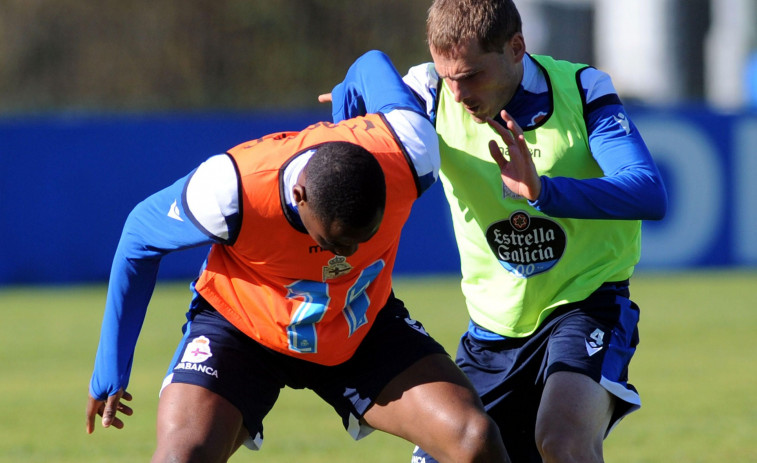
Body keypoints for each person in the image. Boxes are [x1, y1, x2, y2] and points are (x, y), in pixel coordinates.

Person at [85, 50, 510, 463]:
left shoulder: (410, 151)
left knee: (474, 438)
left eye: (363, 239)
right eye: (336, 242)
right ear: (298, 196)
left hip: (357, 322)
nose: (346, 255)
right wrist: (111, 366)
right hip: (244, 329)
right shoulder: (233, 189)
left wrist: (348, 97)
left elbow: (371, 62)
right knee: (182, 456)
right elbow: (140, 235)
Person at [329, 1, 668, 462]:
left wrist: (543, 191)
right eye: (449, 76)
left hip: (586, 306)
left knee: (562, 441)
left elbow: (648, 192)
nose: (459, 91)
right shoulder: (430, 93)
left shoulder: (582, 89)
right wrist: (350, 92)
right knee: (456, 451)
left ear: (516, 48)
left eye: (470, 75)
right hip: (491, 332)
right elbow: (371, 67)